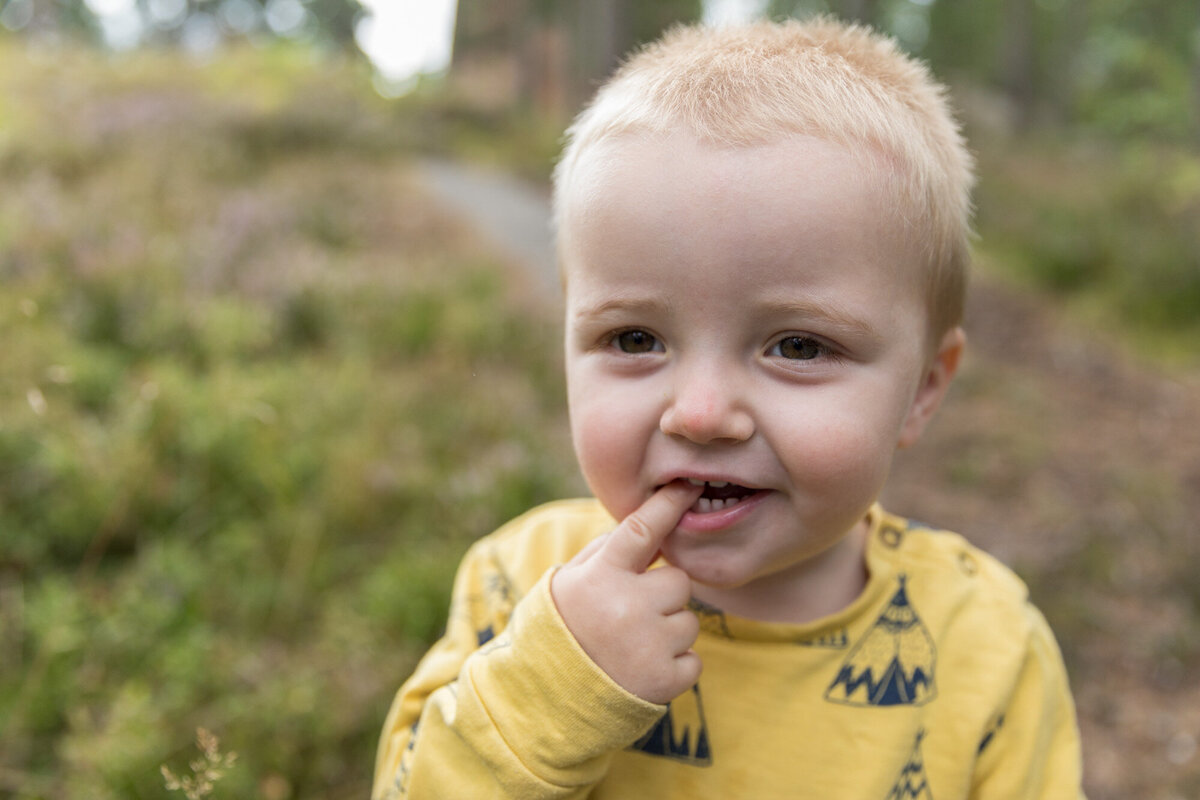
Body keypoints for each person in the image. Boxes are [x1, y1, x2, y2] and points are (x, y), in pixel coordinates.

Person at [373, 17, 1085, 800]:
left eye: (799, 348)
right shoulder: (521, 586)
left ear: (922, 390)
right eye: (636, 337)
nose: (702, 414)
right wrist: (549, 694)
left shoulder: (986, 644)